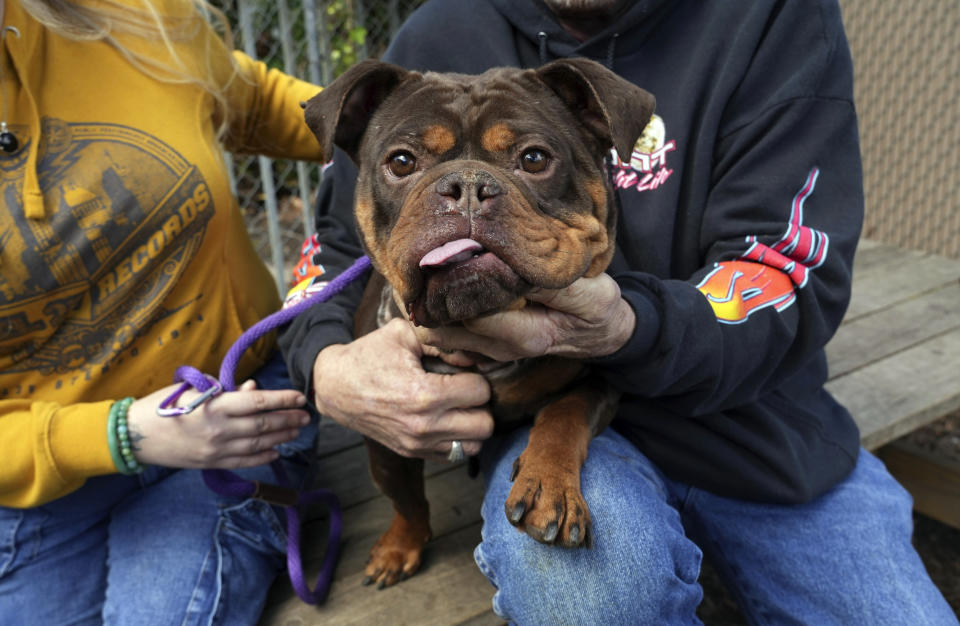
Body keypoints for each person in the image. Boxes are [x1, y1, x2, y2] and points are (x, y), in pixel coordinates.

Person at [281, 0, 957, 624]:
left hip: (754, 427)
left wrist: (625, 324)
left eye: (533, 158)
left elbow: (787, 267)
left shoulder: (772, 17)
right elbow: (333, 245)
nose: (466, 197)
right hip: (541, 428)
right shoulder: (436, 30)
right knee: (584, 588)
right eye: (407, 162)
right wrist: (325, 364)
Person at [0, 0, 326, 623]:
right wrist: (121, 435)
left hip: (232, 408)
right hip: (33, 483)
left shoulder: (131, 14)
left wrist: (397, 121)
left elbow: (247, 96)